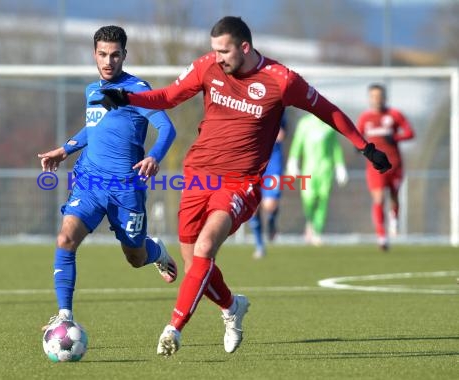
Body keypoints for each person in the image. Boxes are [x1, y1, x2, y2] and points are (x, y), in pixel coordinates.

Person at [90, 16, 391, 356]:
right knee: (195, 265)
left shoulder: (281, 80)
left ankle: (173, 328)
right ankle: (232, 308)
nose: (217, 57)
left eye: (224, 51)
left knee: (205, 248)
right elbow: (170, 96)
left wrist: (364, 146)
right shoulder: (207, 67)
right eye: (214, 50)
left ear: (244, 47)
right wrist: (129, 99)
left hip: (240, 182)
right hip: (198, 175)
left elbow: (327, 110)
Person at [37, 25, 178, 330]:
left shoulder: (138, 90)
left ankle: (157, 250)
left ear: (124, 55)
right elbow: (95, 127)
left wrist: (153, 156)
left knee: (135, 257)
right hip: (90, 181)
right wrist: (65, 149)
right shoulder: (92, 90)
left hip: (126, 189)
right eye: (102, 54)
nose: (108, 61)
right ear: (94, 54)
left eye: (115, 55)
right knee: (65, 238)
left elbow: (168, 129)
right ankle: (64, 317)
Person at [356, 83, 414, 250]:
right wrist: (358, 147)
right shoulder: (365, 118)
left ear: (385, 98)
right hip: (375, 167)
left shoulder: (394, 115)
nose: (377, 100)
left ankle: (394, 218)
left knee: (394, 196)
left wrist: (395, 138)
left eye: (379, 96)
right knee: (379, 198)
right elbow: (357, 136)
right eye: (373, 96)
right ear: (369, 99)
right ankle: (382, 236)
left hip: (395, 165)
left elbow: (410, 133)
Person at [286, 113, 349, 246]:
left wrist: (340, 166)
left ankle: (317, 231)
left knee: (323, 199)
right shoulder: (304, 124)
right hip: (308, 169)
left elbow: (335, 147)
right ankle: (310, 221)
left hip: (326, 170)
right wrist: (292, 161)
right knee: (308, 198)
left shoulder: (329, 125)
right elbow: (297, 144)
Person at [249, 113, 288, 259]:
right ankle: (259, 245)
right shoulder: (244, 104)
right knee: (253, 208)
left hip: (273, 162)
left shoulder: (278, 106)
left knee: (269, 205)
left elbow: (282, 133)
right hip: (252, 162)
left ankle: (271, 220)